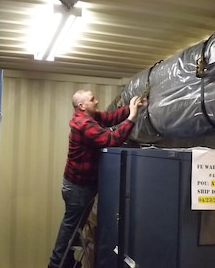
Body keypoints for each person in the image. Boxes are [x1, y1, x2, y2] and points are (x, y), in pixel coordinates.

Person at [48, 89, 145, 268]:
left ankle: (66, 260)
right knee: (70, 226)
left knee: (74, 226)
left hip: (80, 185)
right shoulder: (83, 124)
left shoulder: (91, 118)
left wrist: (132, 107)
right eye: (93, 99)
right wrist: (131, 118)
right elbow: (111, 139)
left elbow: (110, 118)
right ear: (82, 106)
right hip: (78, 188)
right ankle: (56, 264)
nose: (97, 101)